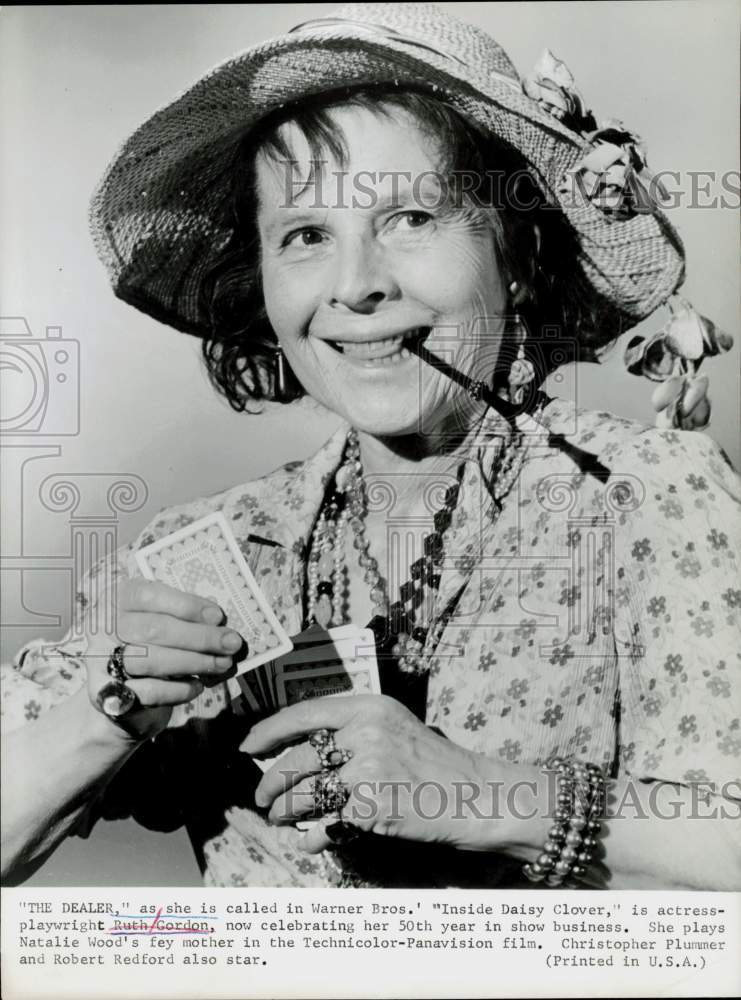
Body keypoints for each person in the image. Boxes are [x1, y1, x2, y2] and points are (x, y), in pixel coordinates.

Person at [1, 2, 739, 890]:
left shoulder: (643, 494)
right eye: (306, 236)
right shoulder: (210, 558)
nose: (355, 287)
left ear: (515, 246)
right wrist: (105, 713)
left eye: (412, 219)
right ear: (264, 284)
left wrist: (474, 794)